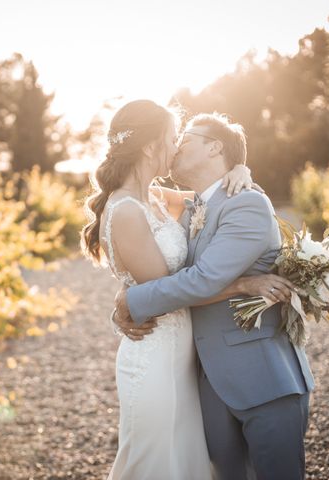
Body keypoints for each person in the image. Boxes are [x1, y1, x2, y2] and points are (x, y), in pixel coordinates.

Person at [80, 100, 294, 479]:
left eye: (183, 138)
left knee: (186, 460)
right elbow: (169, 289)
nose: (176, 145)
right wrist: (242, 284)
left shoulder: (158, 198)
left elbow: (212, 195)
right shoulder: (127, 210)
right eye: (171, 137)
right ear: (150, 146)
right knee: (157, 460)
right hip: (157, 352)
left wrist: (241, 166)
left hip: (189, 356)